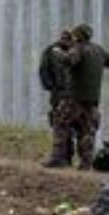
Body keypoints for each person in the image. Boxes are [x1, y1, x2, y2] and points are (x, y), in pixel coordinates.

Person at [64, 23, 109, 169]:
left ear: (78, 36)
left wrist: (63, 51)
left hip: (76, 96)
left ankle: (61, 158)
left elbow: (70, 61)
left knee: (61, 124)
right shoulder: (98, 50)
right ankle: (86, 162)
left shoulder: (78, 49)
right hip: (93, 98)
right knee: (87, 129)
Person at [38, 28, 76, 167]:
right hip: (61, 94)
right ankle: (63, 157)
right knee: (60, 124)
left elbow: (43, 70)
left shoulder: (74, 51)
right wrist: (51, 87)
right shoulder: (51, 51)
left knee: (67, 125)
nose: (65, 42)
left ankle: (66, 157)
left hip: (71, 94)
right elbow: (44, 70)